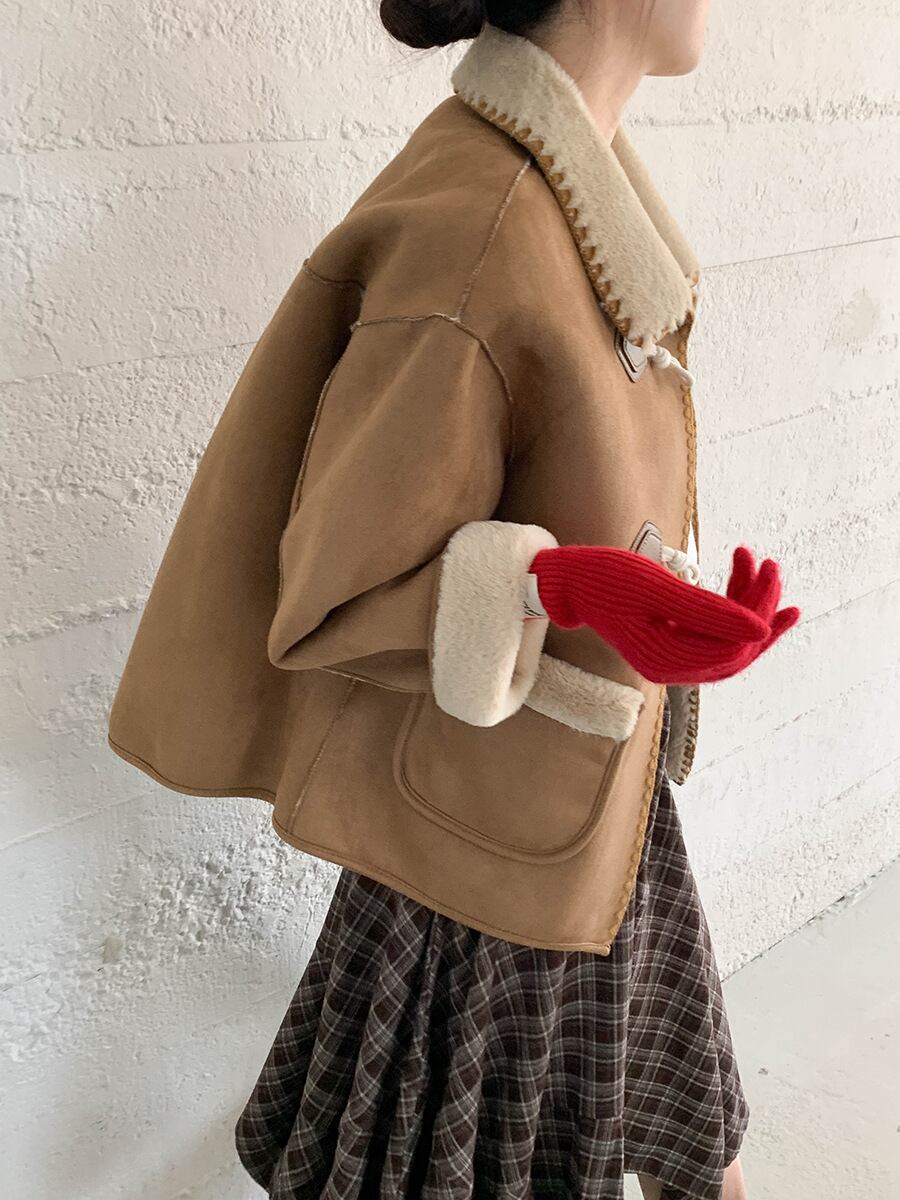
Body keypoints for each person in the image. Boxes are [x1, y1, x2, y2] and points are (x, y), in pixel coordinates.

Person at [106, 2, 800, 1197]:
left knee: (703, 1153)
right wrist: (564, 587)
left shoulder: (565, 197)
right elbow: (335, 592)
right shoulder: (481, 226)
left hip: (588, 802)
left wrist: (647, 605)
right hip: (483, 866)